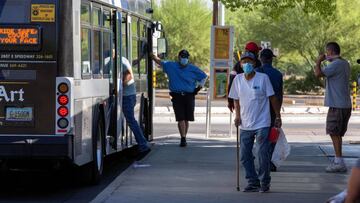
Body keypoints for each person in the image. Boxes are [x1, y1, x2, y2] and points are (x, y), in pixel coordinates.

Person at [229, 51, 282, 193]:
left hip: (262, 122)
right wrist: (237, 116)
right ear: (240, 64)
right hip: (245, 124)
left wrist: (277, 116)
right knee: (245, 155)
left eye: (250, 62)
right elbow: (236, 99)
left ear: (255, 64)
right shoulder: (238, 80)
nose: (247, 64)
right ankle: (253, 181)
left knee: (261, 152)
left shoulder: (263, 78)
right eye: (244, 62)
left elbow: (272, 98)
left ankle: (264, 182)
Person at [151, 49, 207, 147]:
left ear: (188, 58)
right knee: (181, 117)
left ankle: (184, 136)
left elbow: (204, 77)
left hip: (189, 96)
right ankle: (183, 138)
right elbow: (159, 61)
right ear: (179, 57)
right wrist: (151, 54)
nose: (184, 59)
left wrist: (198, 89)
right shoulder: (171, 65)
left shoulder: (192, 68)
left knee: (187, 119)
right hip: (177, 96)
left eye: (186, 57)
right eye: (182, 57)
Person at [314, 42, 352, 173]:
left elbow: (318, 74)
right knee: (337, 133)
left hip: (337, 104)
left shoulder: (336, 64)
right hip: (344, 104)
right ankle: (338, 160)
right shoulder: (345, 63)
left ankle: (339, 161)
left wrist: (318, 61)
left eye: (326, 52)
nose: (325, 55)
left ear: (330, 52)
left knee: (334, 132)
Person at [257, 49, 284, 172]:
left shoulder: (256, 73)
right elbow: (279, 95)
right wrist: (278, 113)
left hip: (259, 109)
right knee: (272, 135)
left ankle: (262, 161)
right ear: (271, 59)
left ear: (261, 58)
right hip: (273, 110)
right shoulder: (277, 74)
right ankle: (268, 161)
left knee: (260, 136)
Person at [122, 57, 151, 159]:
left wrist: (117, 86)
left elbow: (129, 76)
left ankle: (143, 145)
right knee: (130, 120)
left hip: (127, 96)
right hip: (127, 95)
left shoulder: (121, 61)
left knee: (131, 121)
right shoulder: (121, 59)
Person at [227, 41, 262, 112]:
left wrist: (230, 101)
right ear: (255, 52)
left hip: (242, 99)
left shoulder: (238, 65)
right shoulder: (258, 64)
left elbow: (231, 82)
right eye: (257, 52)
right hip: (255, 101)